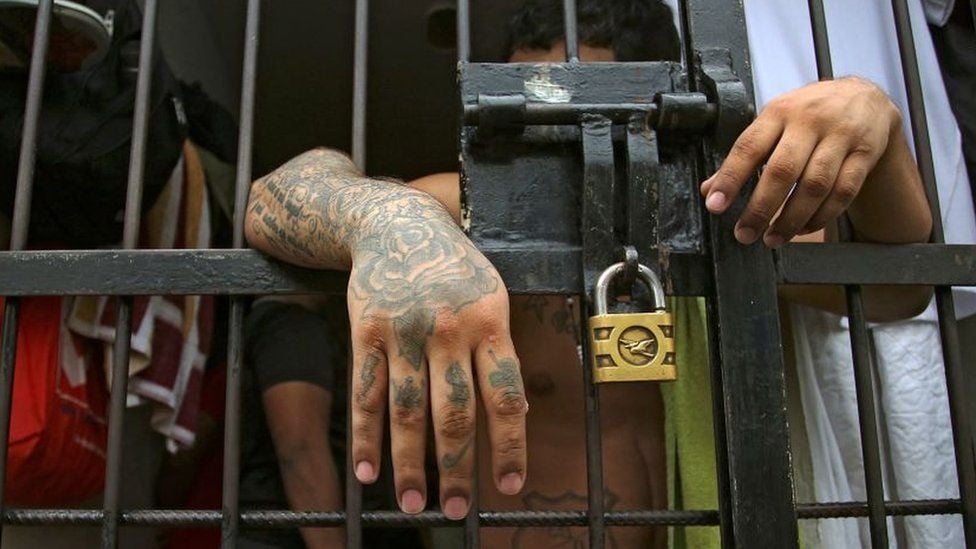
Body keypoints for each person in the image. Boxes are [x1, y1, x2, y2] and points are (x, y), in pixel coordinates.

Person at [243, 1, 932, 548]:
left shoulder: (723, 214)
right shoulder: (470, 217)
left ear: (665, 111)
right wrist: (385, 217)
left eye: (584, 115)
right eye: (526, 117)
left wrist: (874, 116)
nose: (550, 141)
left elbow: (901, 288)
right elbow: (275, 196)